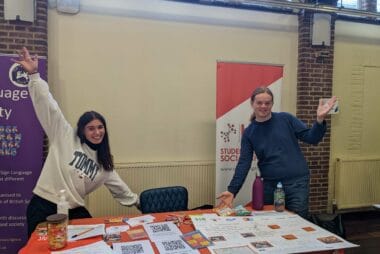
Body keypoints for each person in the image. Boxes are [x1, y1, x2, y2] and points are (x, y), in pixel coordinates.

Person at [14, 47, 139, 237]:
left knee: (92, 240)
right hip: (44, 206)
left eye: (100, 127)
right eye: (91, 128)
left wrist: (143, 204)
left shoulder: (104, 163)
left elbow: (121, 190)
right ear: (82, 130)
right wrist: (34, 76)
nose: (97, 132)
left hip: (73, 209)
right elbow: (49, 106)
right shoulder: (64, 135)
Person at [217, 86, 337, 219]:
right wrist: (232, 190)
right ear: (252, 104)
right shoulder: (249, 133)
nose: (263, 106)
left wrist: (319, 120)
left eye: (267, 103)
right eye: (259, 103)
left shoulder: (286, 119)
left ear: (272, 104)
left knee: (297, 223)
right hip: (270, 187)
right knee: (270, 224)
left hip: (296, 185)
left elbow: (312, 138)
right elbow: (244, 163)